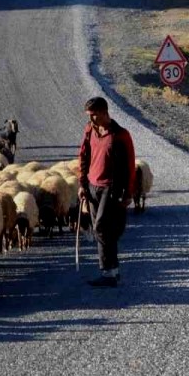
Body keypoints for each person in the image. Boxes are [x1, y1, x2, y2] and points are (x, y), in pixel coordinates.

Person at [77, 96, 136, 288]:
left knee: (101, 228)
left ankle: (107, 272)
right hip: (93, 186)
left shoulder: (120, 135)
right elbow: (84, 156)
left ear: (105, 112)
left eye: (94, 115)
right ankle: (114, 269)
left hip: (111, 188)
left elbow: (129, 164)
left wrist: (129, 193)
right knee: (104, 231)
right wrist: (82, 184)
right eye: (89, 116)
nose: (91, 119)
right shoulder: (89, 131)